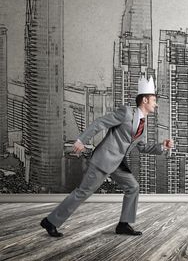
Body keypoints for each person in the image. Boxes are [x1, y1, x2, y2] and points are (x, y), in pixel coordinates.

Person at [40, 77, 173, 237]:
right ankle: (51, 221)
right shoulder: (126, 113)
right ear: (144, 100)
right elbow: (100, 123)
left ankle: (123, 224)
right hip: (103, 160)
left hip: (117, 163)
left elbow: (142, 148)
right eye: (153, 100)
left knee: (133, 187)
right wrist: (82, 139)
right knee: (83, 192)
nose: (156, 104)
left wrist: (161, 147)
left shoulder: (143, 127)